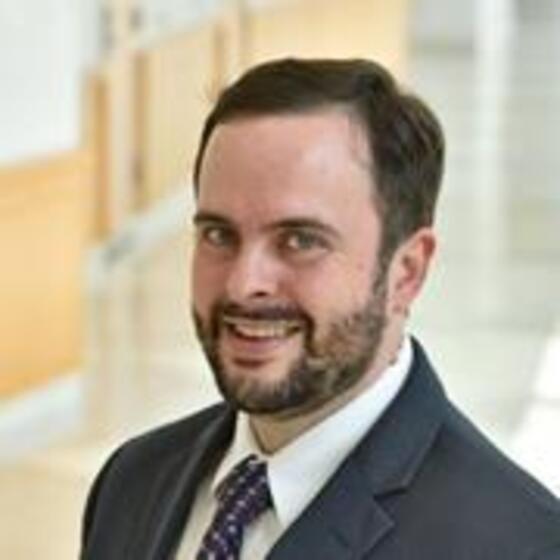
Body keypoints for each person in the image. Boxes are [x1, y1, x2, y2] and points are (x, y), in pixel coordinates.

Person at [80, 58, 560, 559]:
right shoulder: (132, 481)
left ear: (406, 271)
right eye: (219, 235)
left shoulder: (521, 546)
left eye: (300, 240)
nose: (244, 284)